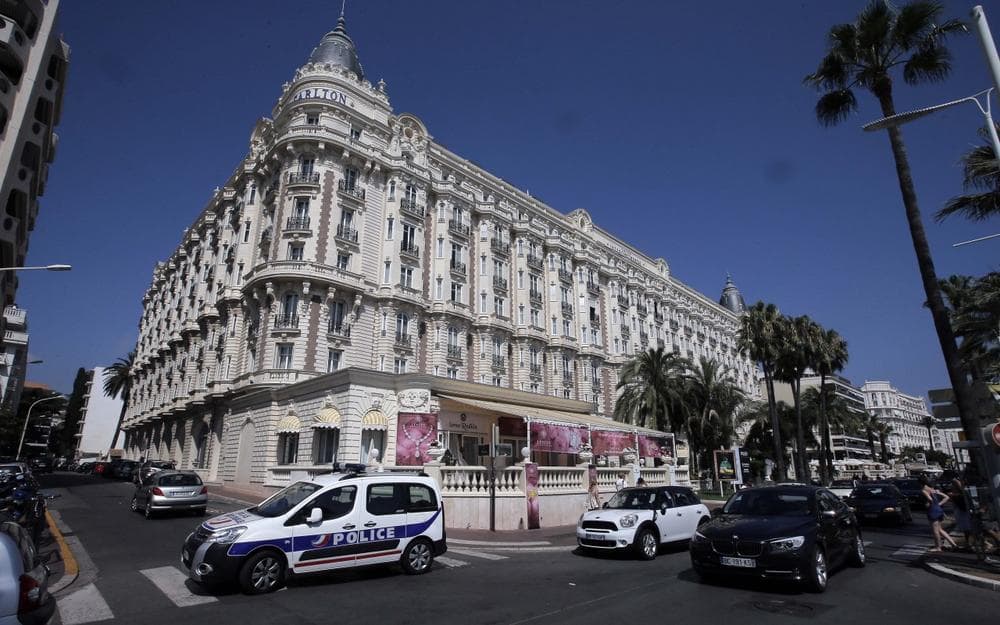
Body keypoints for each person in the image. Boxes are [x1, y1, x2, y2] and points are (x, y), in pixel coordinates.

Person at [922, 476, 958, 552]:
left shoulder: (924, 490)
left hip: (932, 511)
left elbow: (930, 499)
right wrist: (939, 504)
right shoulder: (933, 489)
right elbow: (946, 497)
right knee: (940, 529)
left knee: (935, 530)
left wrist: (928, 503)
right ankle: (953, 544)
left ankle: (938, 547)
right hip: (939, 510)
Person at [950, 478, 972, 547]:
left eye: (953, 485)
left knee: (967, 529)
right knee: (966, 529)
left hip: (963, 512)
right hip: (962, 512)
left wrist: (953, 496)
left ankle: (970, 543)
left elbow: (962, 501)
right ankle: (968, 543)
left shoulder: (961, 493)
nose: (951, 486)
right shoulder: (959, 492)